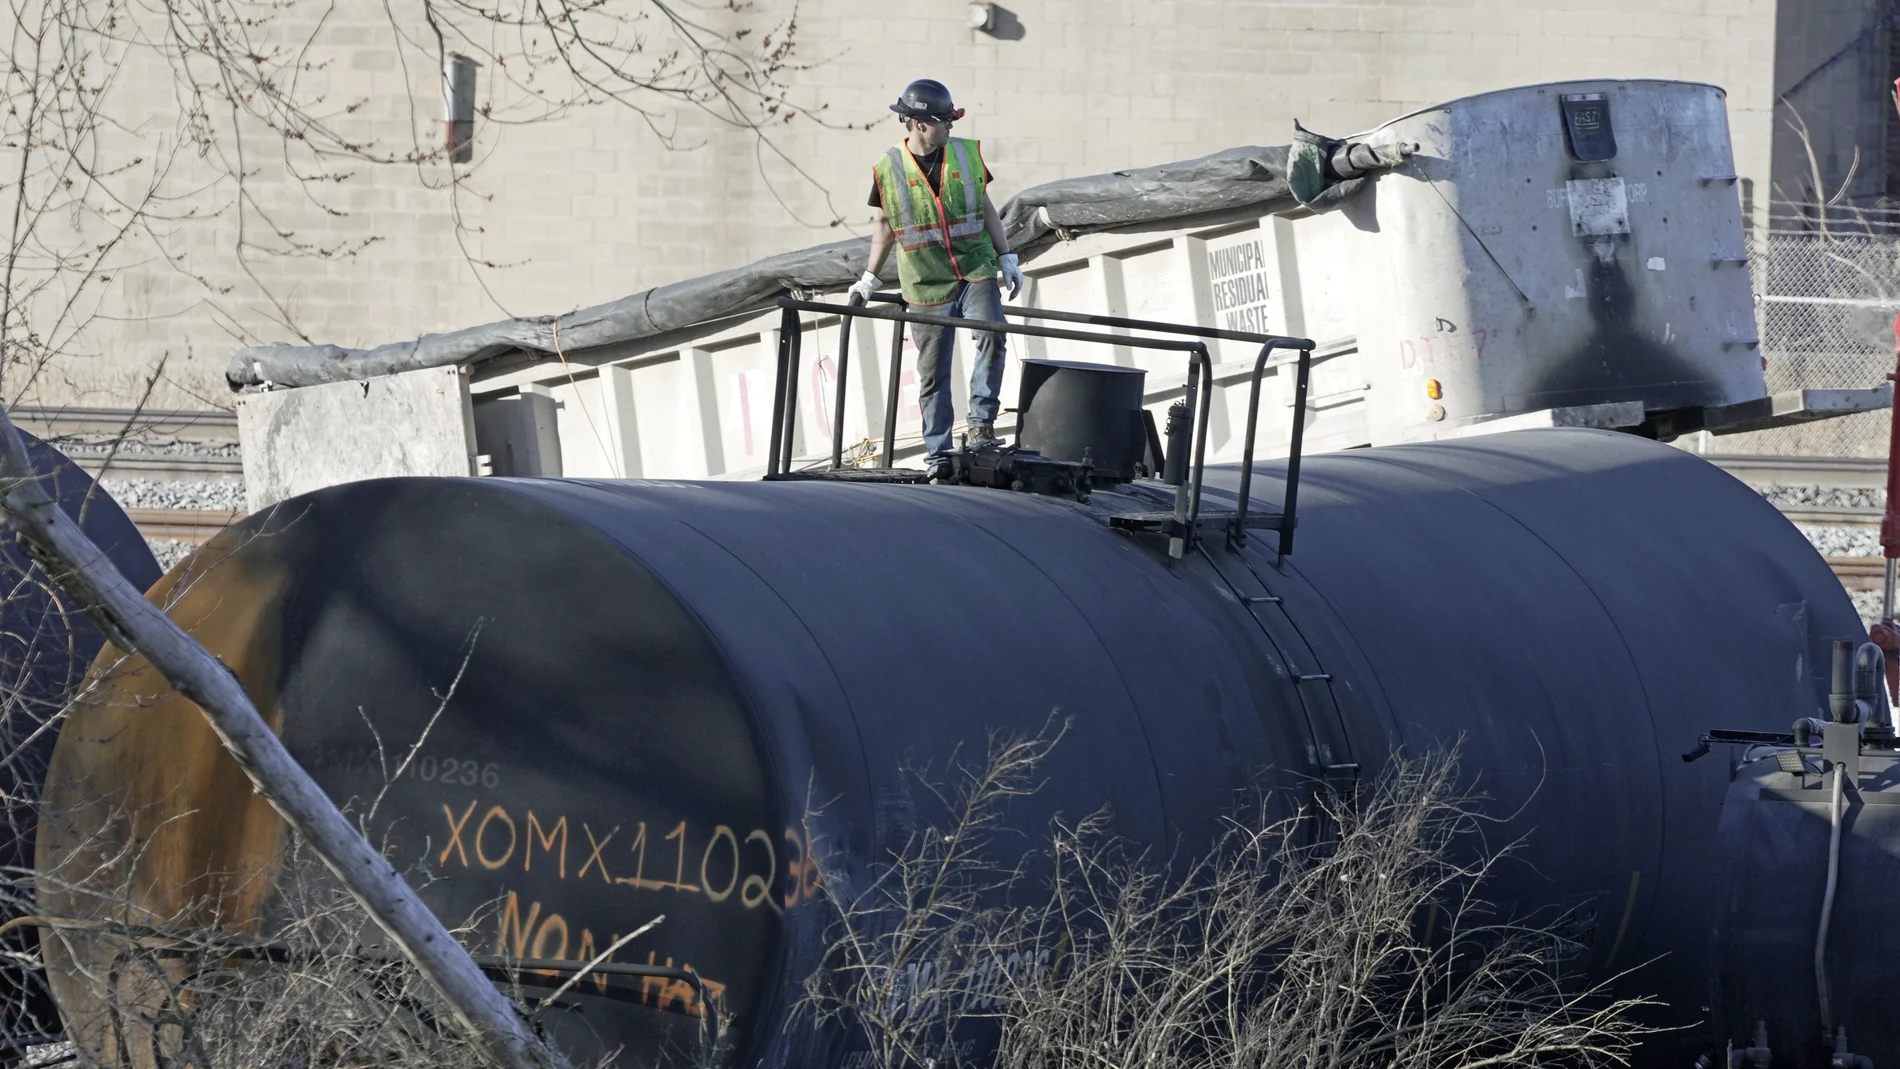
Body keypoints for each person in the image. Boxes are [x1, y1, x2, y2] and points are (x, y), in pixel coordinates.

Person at [848, 78, 1025, 480]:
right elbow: (884, 226)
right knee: (933, 374)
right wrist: (869, 279)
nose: (950, 127)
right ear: (919, 123)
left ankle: (981, 424)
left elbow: (985, 207)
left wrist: (1006, 255)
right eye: (944, 121)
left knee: (993, 332)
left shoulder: (964, 154)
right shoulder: (888, 169)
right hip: (926, 284)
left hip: (974, 268)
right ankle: (938, 454)